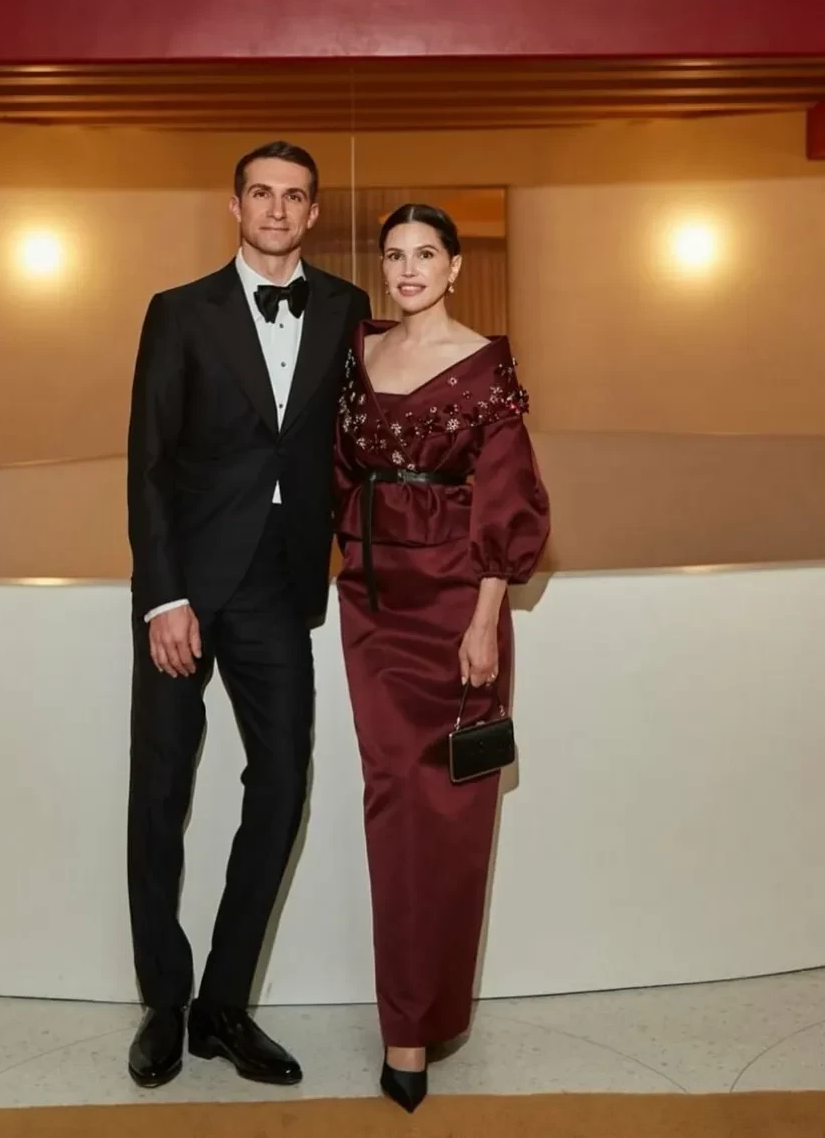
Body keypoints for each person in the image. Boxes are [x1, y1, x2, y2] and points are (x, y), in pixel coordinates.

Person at [125, 141, 371, 1089]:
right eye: (261, 193)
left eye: (294, 196)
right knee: (160, 790)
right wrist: (164, 594)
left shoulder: (346, 308)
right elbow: (149, 459)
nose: (277, 209)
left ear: (313, 213)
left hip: (279, 581)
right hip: (186, 584)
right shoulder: (179, 311)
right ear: (235, 206)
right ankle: (163, 998)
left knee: (281, 784)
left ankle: (223, 1005)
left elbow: (360, 438)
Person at [333, 204, 550, 1112]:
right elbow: (333, 473)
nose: (409, 268)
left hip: (458, 603)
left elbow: (508, 496)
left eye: (427, 253)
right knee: (393, 801)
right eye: (395, 254)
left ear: (456, 266)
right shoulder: (358, 352)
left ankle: (425, 1017)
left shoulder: (486, 365)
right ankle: (405, 1024)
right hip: (372, 604)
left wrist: (484, 620)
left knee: (453, 814)